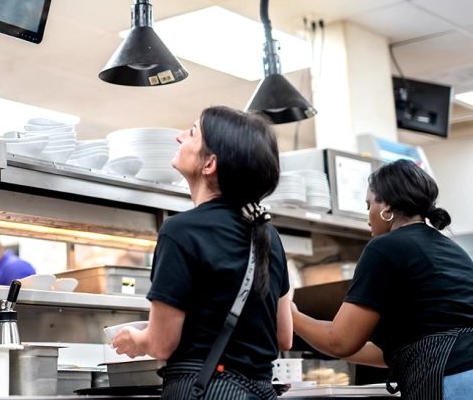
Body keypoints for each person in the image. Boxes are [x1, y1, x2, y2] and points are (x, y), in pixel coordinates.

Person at [112, 106, 293, 400]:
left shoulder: (181, 230)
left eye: (192, 132)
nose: (179, 137)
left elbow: (161, 344)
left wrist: (136, 339)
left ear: (209, 163)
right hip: (262, 391)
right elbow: (283, 335)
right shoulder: (268, 234)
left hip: (207, 389)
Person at [292, 159, 473, 399]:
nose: (368, 217)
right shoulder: (449, 248)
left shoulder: (384, 247)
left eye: (369, 205)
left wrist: (290, 315)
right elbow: (384, 351)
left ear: (386, 208)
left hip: (450, 377)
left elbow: (339, 341)